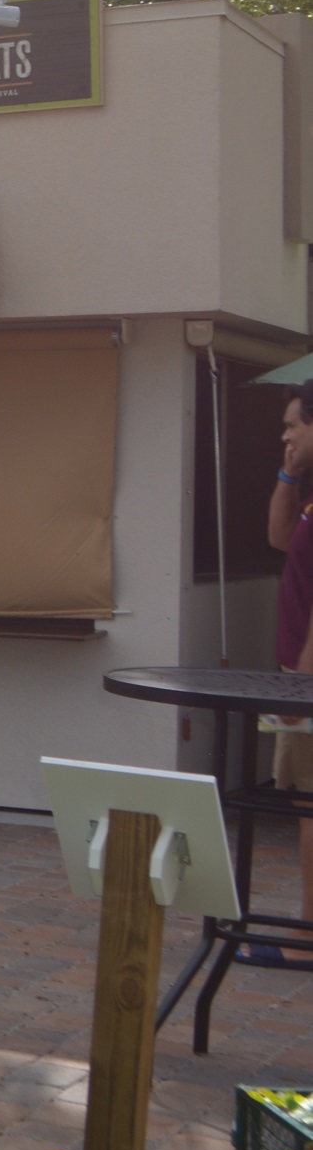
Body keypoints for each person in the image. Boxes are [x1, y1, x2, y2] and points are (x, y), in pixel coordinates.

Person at [264, 379, 313, 945]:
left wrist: (302, 677)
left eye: (292, 425)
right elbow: (279, 538)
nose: (284, 435)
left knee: (309, 804)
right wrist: (289, 472)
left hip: (307, 676)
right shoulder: (307, 492)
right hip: (297, 668)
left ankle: (307, 934)